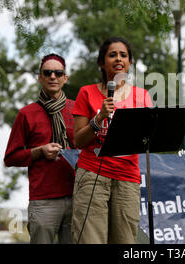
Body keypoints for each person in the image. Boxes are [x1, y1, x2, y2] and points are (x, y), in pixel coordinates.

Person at [71, 36, 153, 244]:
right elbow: (78, 141)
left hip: (127, 178)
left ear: (130, 62)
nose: (118, 59)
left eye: (123, 55)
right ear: (101, 62)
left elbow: (148, 139)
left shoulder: (142, 96)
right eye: (112, 54)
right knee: (90, 240)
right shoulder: (86, 93)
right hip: (92, 176)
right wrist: (98, 119)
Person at [4, 53, 75, 244]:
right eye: (48, 72)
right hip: (44, 200)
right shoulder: (26, 114)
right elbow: (10, 157)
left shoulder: (77, 110)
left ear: (65, 78)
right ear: (40, 77)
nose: (53, 76)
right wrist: (39, 151)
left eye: (58, 73)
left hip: (78, 197)